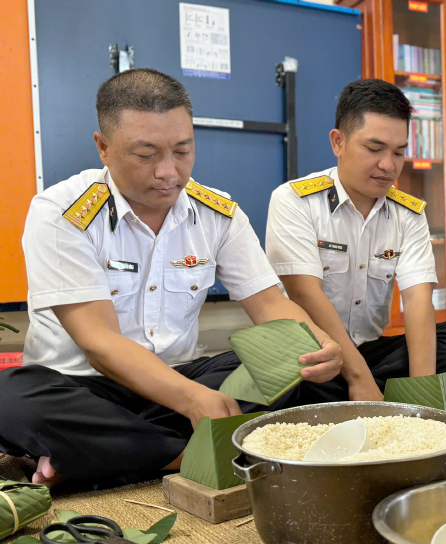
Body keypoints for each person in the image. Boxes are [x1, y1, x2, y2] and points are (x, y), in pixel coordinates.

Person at [0, 69, 343, 488]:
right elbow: (99, 344)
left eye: (182, 151)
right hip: (84, 390)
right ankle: (179, 454)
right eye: (146, 155)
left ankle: (102, 456)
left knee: (290, 352)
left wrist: (320, 344)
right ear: (103, 147)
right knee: (11, 398)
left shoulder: (217, 212)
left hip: (176, 377)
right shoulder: (62, 211)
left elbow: (270, 304)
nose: (168, 172)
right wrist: (195, 400)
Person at [266, 79, 446, 403]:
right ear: (338, 142)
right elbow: (304, 294)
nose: (388, 165)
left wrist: (421, 397)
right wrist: (359, 378)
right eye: (374, 149)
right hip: (313, 353)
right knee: (285, 374)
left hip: (371, 353)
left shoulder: (408, 214)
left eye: (399, 152)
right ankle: (365, 392)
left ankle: (374, 396)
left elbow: (418, 301)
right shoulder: (294, 201)